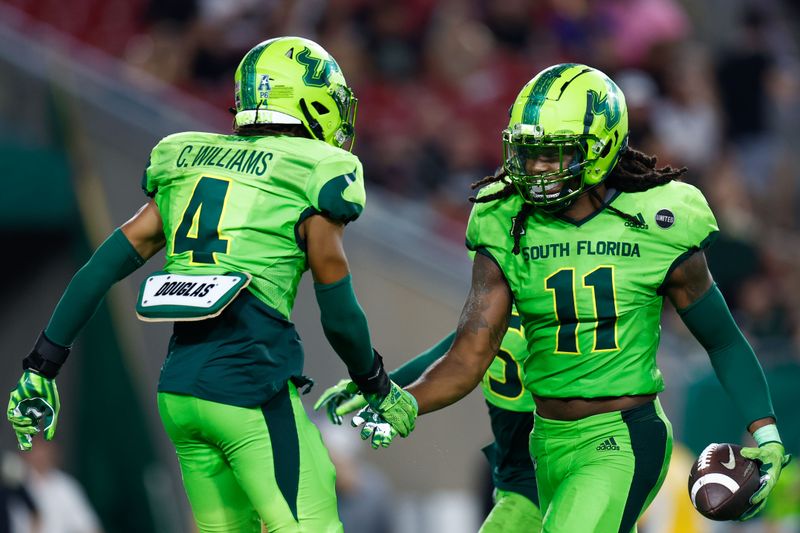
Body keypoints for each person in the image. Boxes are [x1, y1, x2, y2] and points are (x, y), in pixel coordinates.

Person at [354, 63, 790, 531]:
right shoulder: (504, 218)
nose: (537, 168)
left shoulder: (659, 219)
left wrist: (764, 433)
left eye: (554, 154)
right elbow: (470, 352)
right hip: (545, 441)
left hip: (622, 437)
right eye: (529, 153)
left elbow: (721, 339)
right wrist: (407, 400)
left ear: (600, 150)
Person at [6, 36, 416, 533]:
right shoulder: (313, 171)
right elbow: (339, 311)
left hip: (181, 393)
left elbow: (101, 268)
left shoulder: (186, 160)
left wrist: (42, 365)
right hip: (249, 384)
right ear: (308, 99)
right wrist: (374, 380)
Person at [315, 308, 542, 533]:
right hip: (521, 474)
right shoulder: (507, 310)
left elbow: (458, 360)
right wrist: (376, 386)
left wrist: (379, 387)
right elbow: (455, 355)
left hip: (546, 467)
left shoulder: (521, 305)